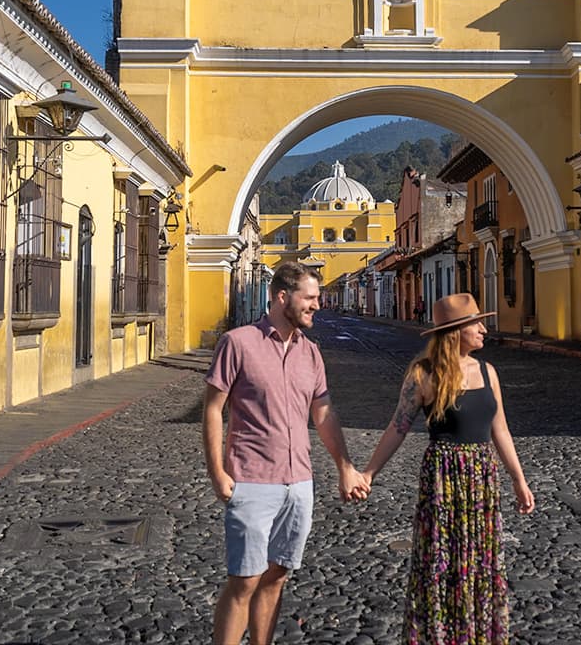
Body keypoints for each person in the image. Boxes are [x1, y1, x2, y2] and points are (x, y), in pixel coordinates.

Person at [204, 261, 369, 645]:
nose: (317, 305)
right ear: (282, 297)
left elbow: (324, 413)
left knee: (277, 576)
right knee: (244, 581)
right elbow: (213, 408)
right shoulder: (238, 343)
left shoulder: (311, 353)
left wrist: (345, 466)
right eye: (309, 298)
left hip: (299, 483)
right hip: (251, 479)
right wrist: (218, 472)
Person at [358, 293, 535, 644]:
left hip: (482, 478)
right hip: (443, 477)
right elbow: (398, 426)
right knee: (442, 559)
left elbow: (501, 429)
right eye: (476, 323)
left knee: (480, 558)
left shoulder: (489, 372)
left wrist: (519, 480)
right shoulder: (423, 375)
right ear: (456, 331)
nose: (484, 329)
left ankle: (477, 635)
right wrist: (368, 473)